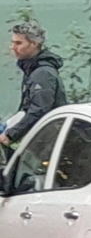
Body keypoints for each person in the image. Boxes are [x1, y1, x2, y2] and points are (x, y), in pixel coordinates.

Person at [3, 22, 64, 155]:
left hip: (47, 143)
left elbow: (39, 109)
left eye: (18, 43)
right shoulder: (32, 69)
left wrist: (11, 135)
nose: (12, 47)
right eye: (13, 42)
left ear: (34, 44)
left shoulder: (42, 73)